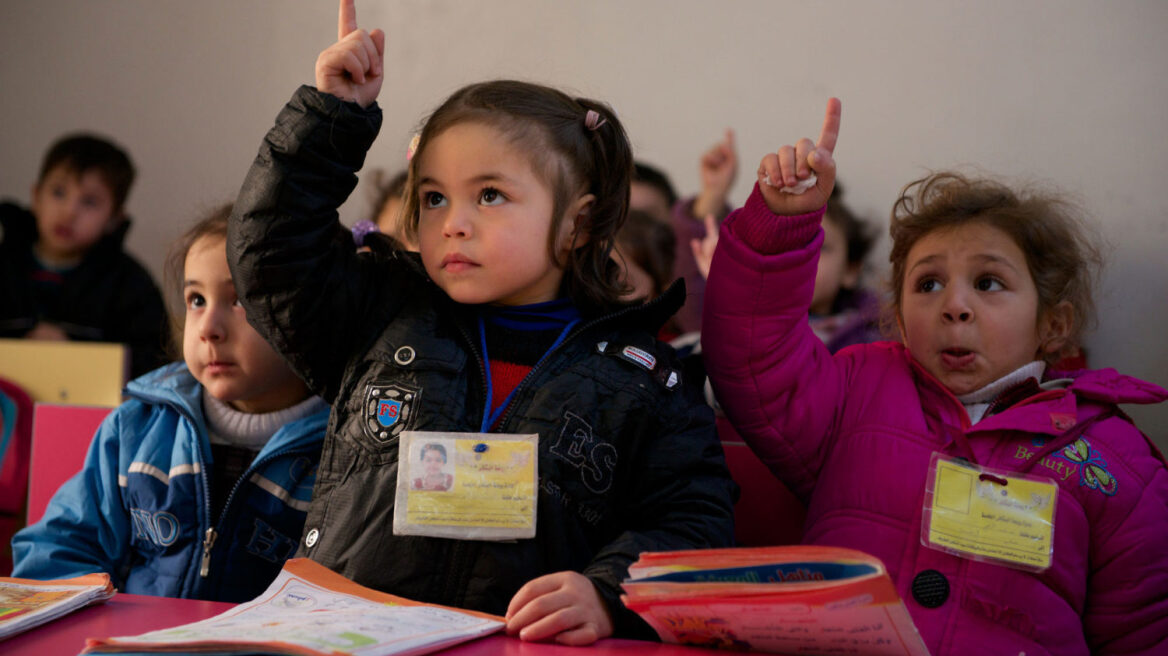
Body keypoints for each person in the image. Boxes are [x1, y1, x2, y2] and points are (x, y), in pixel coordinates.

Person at [227, 1, 735, 646]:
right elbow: (270, 254)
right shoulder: (379, 314)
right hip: (352, 636)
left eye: (489, 195)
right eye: (434, 196)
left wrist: (607, 592)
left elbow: (693, 519)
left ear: (578, 221)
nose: (452, 222)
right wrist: (332, 118)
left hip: (521, 642)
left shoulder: (645, 377)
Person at [702, 99, 1168, 653]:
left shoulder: (1118, 463)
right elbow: (755, 358)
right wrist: (780, 222)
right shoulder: (857, 389)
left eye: (989, 283)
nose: (955, 306)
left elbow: (1143, 633)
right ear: (899, 320)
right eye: (928, 284)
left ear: (1053, 323)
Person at [11, 204, 330, 603]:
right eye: (196, 299)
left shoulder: (343, 453)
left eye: (240, 300)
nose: (208, 329)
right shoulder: (137, 429)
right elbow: (59, 551)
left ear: (316, 312)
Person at [0, 133, 170, 378]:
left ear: (113, 219)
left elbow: (155, 363)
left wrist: (76, 357)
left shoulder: (130, 285)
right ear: (36, 196)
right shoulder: (5, 265)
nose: (69, 212)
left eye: (89, 202)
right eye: (58, 192)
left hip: (89, 407)